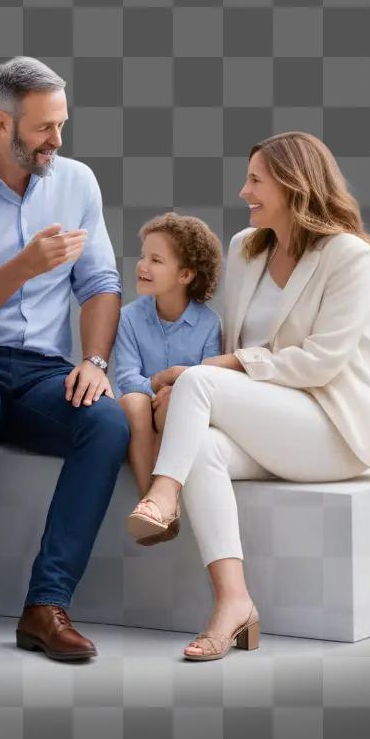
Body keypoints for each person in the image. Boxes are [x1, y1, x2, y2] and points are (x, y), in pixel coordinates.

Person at [125, 131, 370, 661]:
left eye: (255, 180)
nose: (243, 191)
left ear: (293, 184)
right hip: (270, 428)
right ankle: (234, 605)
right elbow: (237, 340)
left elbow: (323, 359)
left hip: (328, 430)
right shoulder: (245, 250)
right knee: (203, 444)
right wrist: (189, 396)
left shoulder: (348, 256)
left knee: (201, 378)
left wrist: (214, 371)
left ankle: (163, 495)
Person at [0, 56, 129, 662]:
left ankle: (47, 604)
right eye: (44, 128)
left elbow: (100, 284)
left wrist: (94, 359)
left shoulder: (77, 183)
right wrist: (26, 265)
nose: (56, 142)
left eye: (61, 126)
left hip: (43, 370)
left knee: (107, 420)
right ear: (2, 123)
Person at [113, 212, 222, 543]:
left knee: (177, 399)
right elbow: (126, 376)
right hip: (141, 411)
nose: (142, 265)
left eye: (156, 260)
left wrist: (172, 390)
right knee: (132, 401)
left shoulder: (209, 325)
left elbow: (210, 379)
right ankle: (156, 502)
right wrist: (155, 384)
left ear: (186, 274)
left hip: (180, 413)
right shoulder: (129, 318)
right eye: (143, 256)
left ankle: (159, 503)